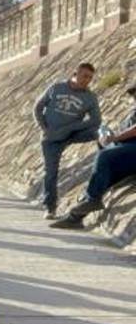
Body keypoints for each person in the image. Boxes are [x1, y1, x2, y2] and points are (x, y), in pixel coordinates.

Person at [50, 83, 136, 229]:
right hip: (125, 151)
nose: (134, 97)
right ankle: (76, 216)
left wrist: (114, 139)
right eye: (133, 94)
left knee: (105, 157)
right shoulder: (132, 112)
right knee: (102, 169)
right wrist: (106, 137)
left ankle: (91, 200)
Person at [34, 62, 102, 219]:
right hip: (51, 139)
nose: (87, 80)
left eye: (90, 78)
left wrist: (73, 127)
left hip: (73, 134)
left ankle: (108, 166)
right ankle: (50, 207)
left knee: (101, 132)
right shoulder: (57, 88)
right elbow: (37, 107)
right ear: (75, 73)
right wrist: (44, 128)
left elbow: (96, 121)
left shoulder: (90, 97)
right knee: (51, 172)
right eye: (84, 76)